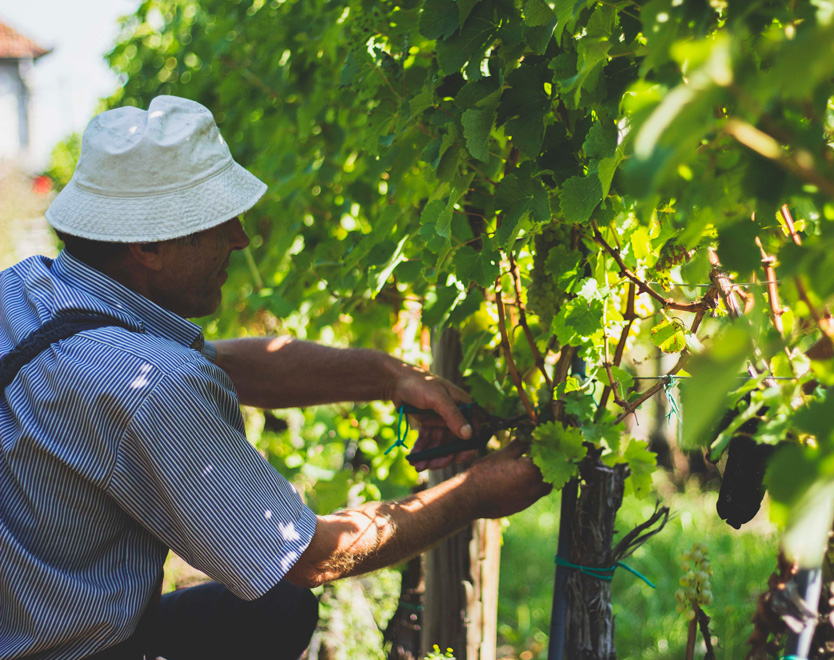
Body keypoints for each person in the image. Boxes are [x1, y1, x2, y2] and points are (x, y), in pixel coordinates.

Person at [0, 96, 548, 660]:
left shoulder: (27, 291)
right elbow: (308, 555)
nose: (240, 237)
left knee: (276, 610)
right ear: (148, 247)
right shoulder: (151, 388)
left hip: (20, 621)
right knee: (283, 592)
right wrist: (474, 494)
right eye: (216, 222)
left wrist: (390, 376)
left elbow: (227, 362)